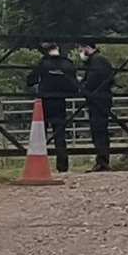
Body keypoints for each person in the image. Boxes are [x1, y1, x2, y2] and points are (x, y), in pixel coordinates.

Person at [23, 42, 79, 173]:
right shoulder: (67, 63)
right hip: (60, 101)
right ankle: (63, 166)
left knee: (41, 135)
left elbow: (31, 80)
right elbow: (74, 82)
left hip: (45, 101)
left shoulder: (43, 63)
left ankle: (40, 165)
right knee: (60, 134)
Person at [77, 43, 116, 172]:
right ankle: (102, 160)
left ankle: (102, 161)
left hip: (98, 100)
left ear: (88, 48)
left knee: (99, 129)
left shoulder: (97, 61)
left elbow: (93, 81)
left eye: (81, 49)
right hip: (101, 98)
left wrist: (83, 87)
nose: (80, 52)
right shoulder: (98, 61)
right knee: (99, 130)